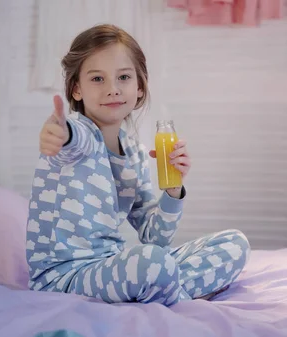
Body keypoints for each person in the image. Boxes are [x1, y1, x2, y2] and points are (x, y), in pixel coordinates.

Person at [26, 24, 250, 306]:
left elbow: (155, 236)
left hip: (110, 267)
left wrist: (173, 189)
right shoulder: (76, 132)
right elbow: (71, 139)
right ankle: (179, 297)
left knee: (233, 243)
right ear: (77, 89)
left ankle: (163, 287)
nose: (112, 89)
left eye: (123, 77)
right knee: (151, 263)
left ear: (139, 88)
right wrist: (58, 133)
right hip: (64, 278)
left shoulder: (134, 152)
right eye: (97, 79)